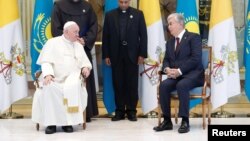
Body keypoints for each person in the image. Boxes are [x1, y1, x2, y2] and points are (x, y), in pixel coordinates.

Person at [32, 21, 92, 134]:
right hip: (54, 78)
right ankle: (51, 124)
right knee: (49, 86)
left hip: (72, 78)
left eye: (78, 32)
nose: (78, 34)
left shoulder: (78, 45)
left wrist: (85, 68)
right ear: (66, 32)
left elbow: (85, 62)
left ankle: (67, 123)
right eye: (75, 32)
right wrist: (48, 74)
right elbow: (45, 62)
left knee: (72, 86)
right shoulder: (52, 43)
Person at [153, 13, 204, 133]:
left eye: (171, 24)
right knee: (164, 86)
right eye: (168, 24)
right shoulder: (170, 42)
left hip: (193, 74)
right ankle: (167, 121)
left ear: (180, 24)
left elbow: (195, 59)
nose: (168, 27)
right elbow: (166, 60)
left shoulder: (194, 37)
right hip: (176, 75)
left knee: (182, 85)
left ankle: (185, 121)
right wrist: (167, 70)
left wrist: (179, 71)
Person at [51, 0, 98, 122]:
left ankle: (85, 113)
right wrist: (68, 39)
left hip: (82, 47)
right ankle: (62, 116)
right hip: (64, 50)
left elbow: (94, 25)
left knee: (83, 77)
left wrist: (85, 40)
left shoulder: (87, 7)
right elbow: (55, 27)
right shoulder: (59, 5)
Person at [102, 0, 147, 122]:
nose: (123, 4)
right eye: (121, 2)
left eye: (126, 2)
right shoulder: (110, 15)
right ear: (118, 1)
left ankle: (132, 111)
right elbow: (106, 36)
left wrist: (142, 54)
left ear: (130, 2)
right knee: (118, 83)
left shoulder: (138, 14)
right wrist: (106, 55)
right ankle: (120, 111)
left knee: (132, 84)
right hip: (116, 54)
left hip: (133, 54)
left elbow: (143, 35)